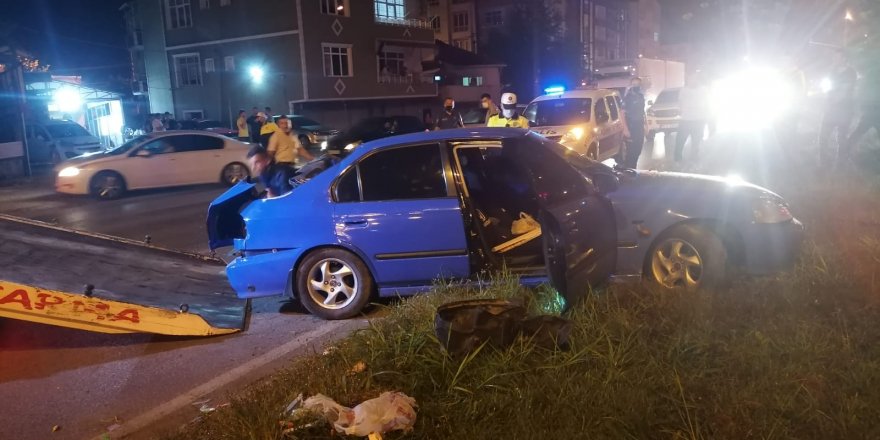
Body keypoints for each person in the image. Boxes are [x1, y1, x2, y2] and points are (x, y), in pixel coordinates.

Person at [818, 49, 857, 167]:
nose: (834, 59)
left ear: (844, 58)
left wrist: (832, 100)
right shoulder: (832, 71)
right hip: (831, 109)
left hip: (844, 110)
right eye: (834, 57)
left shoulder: (850, 72)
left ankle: (840, 162)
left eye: (837, 57)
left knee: (841, 137)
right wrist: (827, 97)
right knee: (823, 136)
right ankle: (823, 162)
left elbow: (844, 92)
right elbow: (826, 86)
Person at [841, 66, 878, 163]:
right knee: (858, 132)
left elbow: (862, 92)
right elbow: (863, 92)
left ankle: (845, 153)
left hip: (870, 111)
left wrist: (863, 107)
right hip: (873, 111)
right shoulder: (872, 74)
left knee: (857, 133)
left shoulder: (870, 74)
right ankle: (845, 153)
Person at [674, 75, 709, 162]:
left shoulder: (703, 90)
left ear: (698, 80)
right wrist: (681, 111)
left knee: (696, 141)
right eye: (691, 79)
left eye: (694, 79)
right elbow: (680, 102)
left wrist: (706, 117)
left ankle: (694, 158)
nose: (692, 81)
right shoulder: (684, 90)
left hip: (698, 120)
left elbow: (708, 103)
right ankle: (677, 158)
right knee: (680, 141)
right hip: (685, 120)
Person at [622, 77, 647, 168]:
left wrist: (645, 125)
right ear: (631, 85)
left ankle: (633, 170)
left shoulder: (641, 96)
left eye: (638, 84)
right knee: (630, 152)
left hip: (639, 126)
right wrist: (625, 129)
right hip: (631, 126)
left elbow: (643, 112)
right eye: (634, 84)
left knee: (638, 150)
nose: (636, 86)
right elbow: (622, 113)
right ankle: (627, 173)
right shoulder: (628, 97)